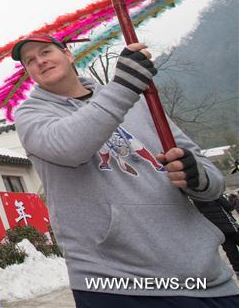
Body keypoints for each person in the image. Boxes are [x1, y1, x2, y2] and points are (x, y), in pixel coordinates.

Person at [12, 33, 238, 307]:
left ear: (68, 54)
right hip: (115, 283)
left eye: (46, 52)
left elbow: (211, 179)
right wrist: (124, 86)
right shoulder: (31, 116)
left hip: (206, 278)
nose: (40, 61)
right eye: (30, 61)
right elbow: (71, 146)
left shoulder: (141, 102)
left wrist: (196, 176)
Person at [192, 195, 239, 276]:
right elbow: (229, 207)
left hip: (217, 230)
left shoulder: (195, 200)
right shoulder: (213, 194)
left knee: (230, 250)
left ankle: (238, 270)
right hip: (229, 224)